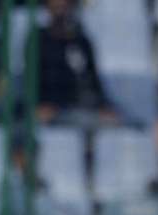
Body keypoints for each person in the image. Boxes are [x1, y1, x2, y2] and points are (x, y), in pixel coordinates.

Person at [30, 0, 117, 128]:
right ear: (47, 6)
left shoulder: (81, 41)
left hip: (79, 108)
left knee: (117, 122)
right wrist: (38, 106)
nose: (60, 7)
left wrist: (103, 106)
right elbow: (30, 81)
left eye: (64, 4)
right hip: (47, 109)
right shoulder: (37, 39)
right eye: (55, 5)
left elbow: (93, 81)